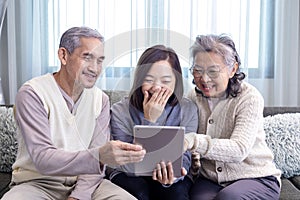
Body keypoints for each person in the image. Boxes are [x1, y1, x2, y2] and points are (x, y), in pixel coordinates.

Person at [1, 26, 146, 200]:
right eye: (87, 57)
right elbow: (43, 158)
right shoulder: (32, 94)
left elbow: (94, 169)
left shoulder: (101, 100)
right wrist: (99, 155)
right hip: (37, 183)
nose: (95, 68)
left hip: (88, 184)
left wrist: (79, 196)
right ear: (63, 55)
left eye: (100, 61)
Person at [184, 34, 282, 200]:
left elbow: (239, 149)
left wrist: (194, 141)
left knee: (229, 197)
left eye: (213, 71)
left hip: (255, 177)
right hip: (211, 179)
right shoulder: (193, 96)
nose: (204, 79)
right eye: (198, 70)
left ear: (233, 69)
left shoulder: (249, 97)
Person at [107, 45, 199, 200]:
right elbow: (123, 164)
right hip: (128, 174)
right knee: (139, 192)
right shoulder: (119, 110)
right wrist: (150, 120)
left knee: (175, 194)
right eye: (149, 80)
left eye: (165, 80)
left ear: (176, 82)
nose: (157, 87)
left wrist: (172, 177)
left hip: (170, 177)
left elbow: (185, 160)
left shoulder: (188, 109)